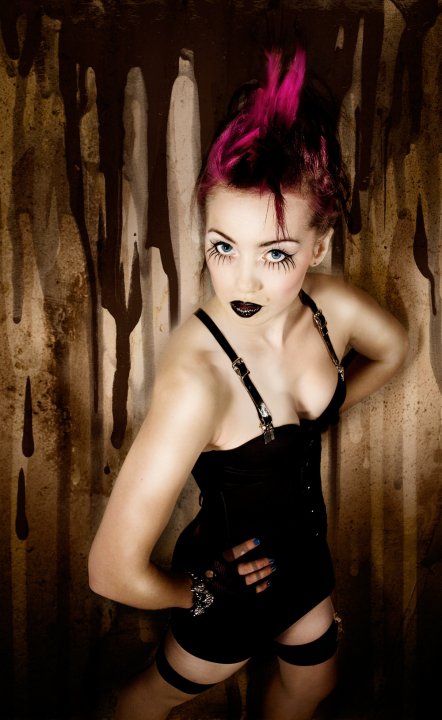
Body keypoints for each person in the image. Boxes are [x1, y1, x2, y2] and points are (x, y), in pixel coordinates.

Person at [88, 45, 408, 720]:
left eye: (276, 254)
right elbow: (110, 570)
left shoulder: (332, 309)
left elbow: (396, 349)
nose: (243, 281)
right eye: (223, 246)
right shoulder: (197, 382)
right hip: (235, 588)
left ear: (318, 247)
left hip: (305, 565)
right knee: (148, 702)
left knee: (313, 684)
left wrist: (328, 411)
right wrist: (201, 593)